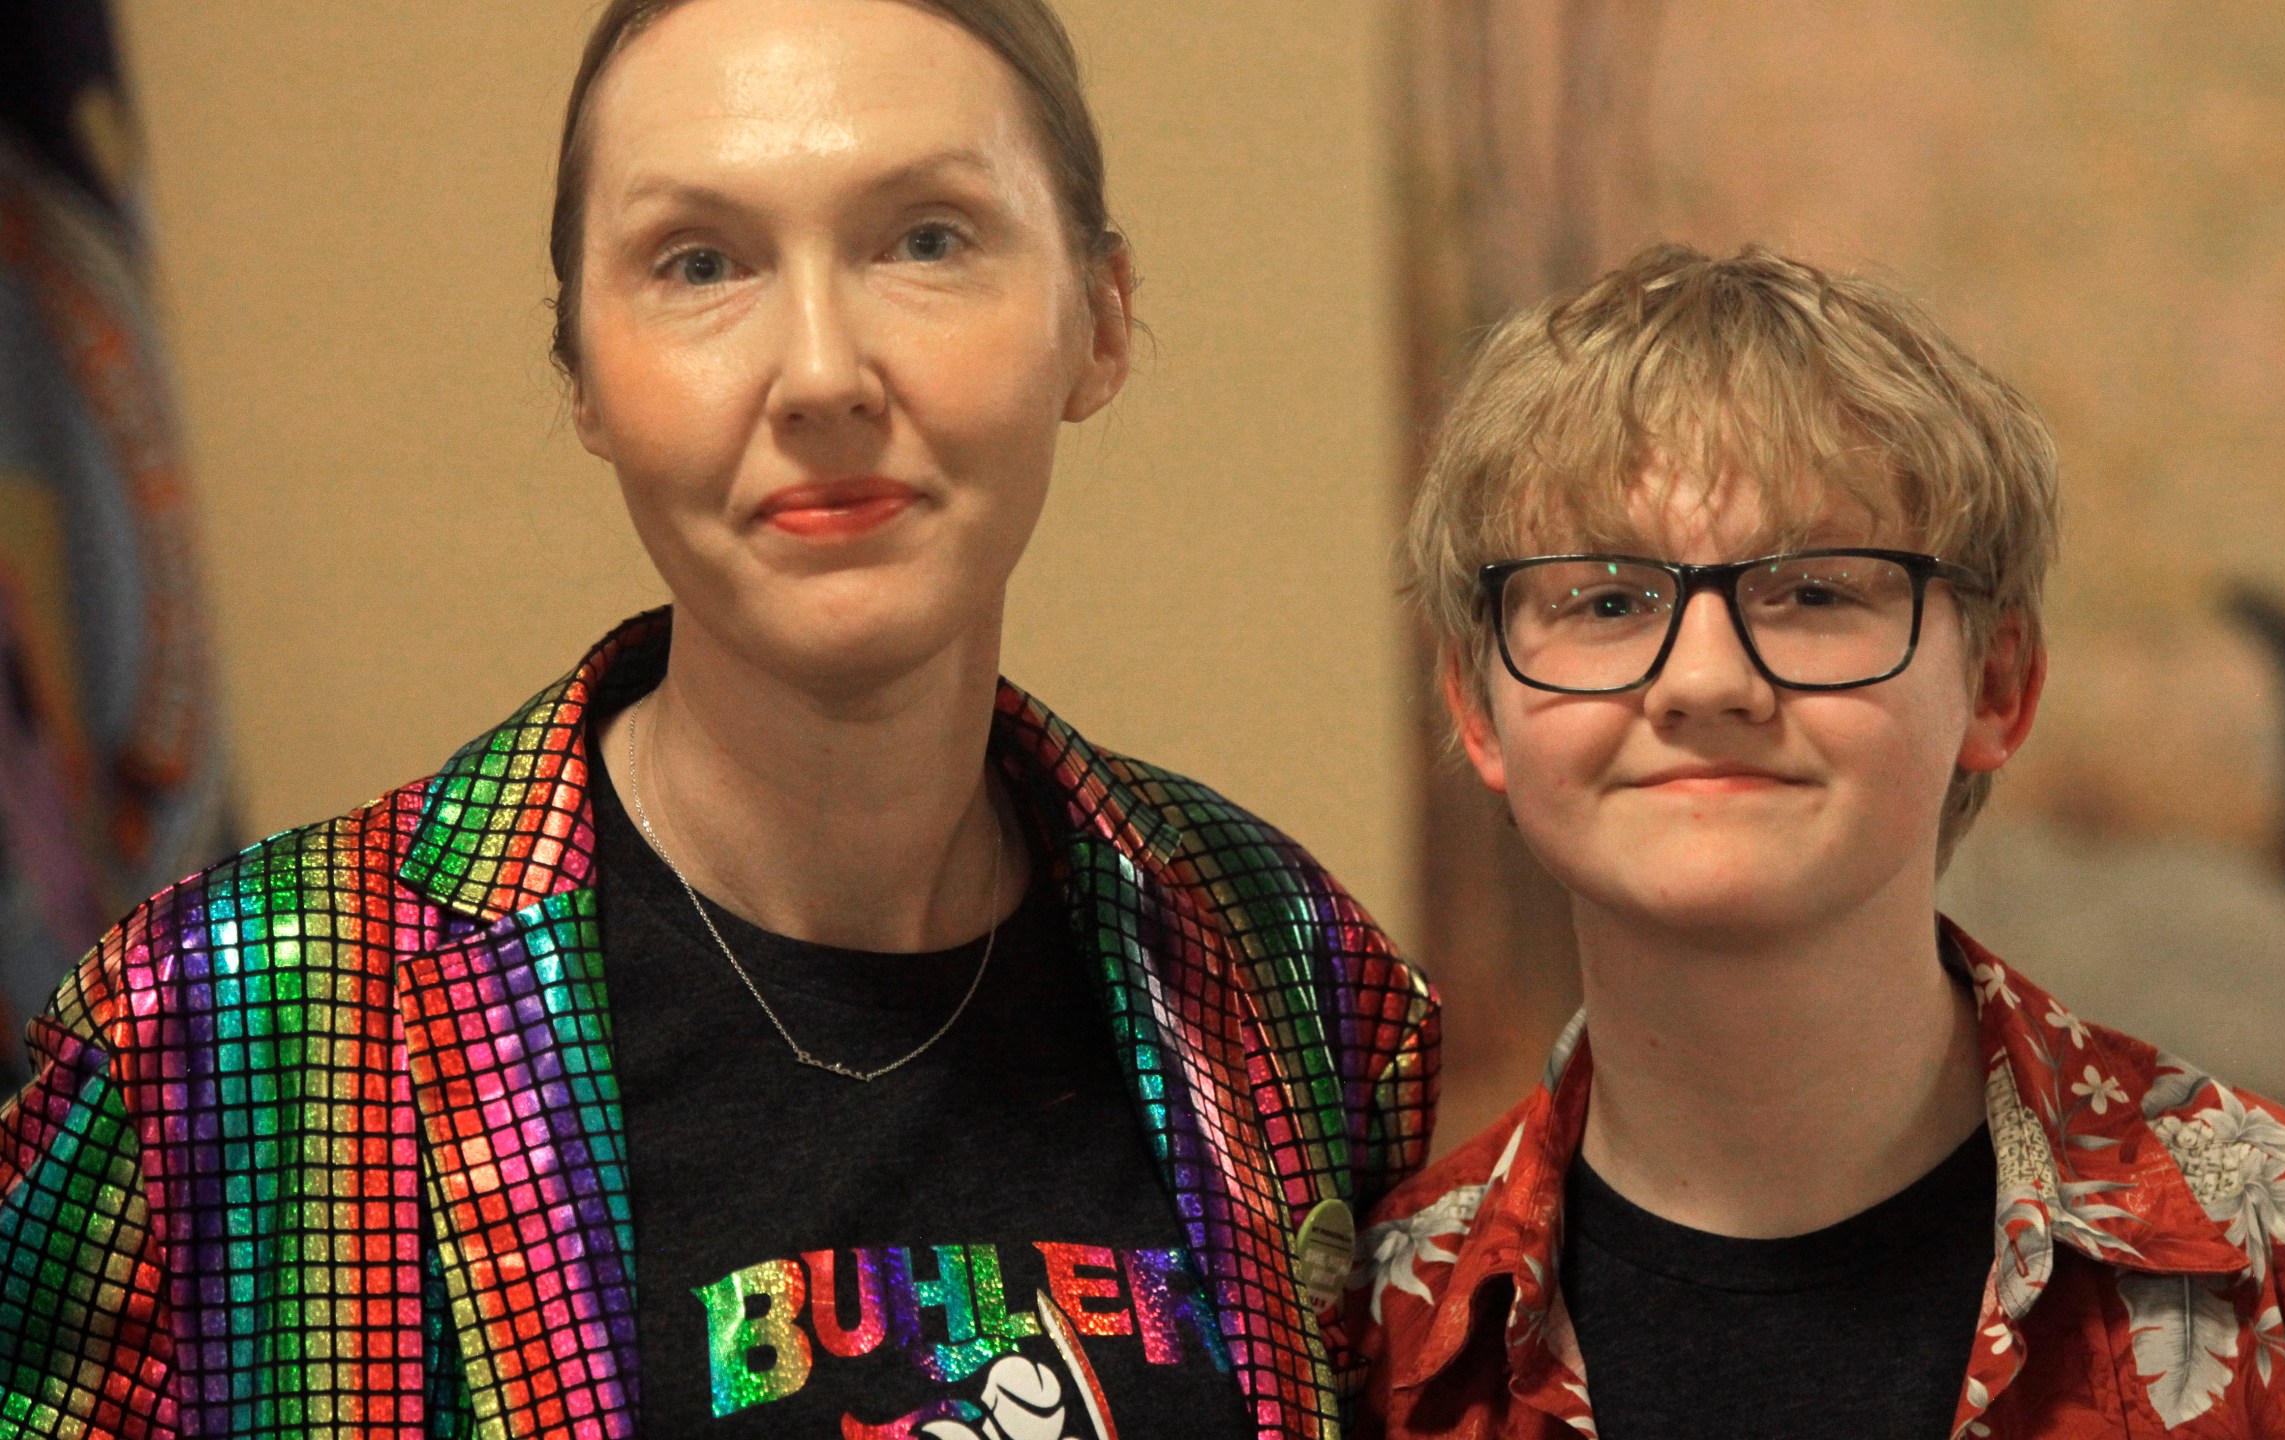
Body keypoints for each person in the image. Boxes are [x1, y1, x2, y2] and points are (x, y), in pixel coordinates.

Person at [0, 3, 1436, 1437]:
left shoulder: (1283, 971)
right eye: (700, 263)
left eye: (927, 239)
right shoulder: (221, 1038)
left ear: (1100, 322)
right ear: (585, 375)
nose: (820, 374)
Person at [1345, 244, 2285, 1438]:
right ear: (1478, 702)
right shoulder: (1369, 1350)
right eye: (1605, 600)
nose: (1704, 680)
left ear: (1997, 685)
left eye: (1815, 591)